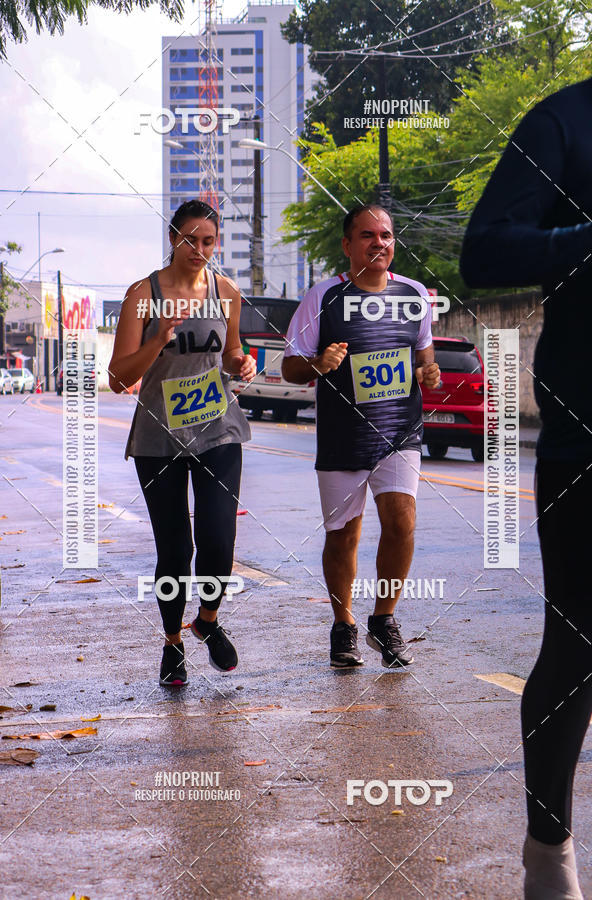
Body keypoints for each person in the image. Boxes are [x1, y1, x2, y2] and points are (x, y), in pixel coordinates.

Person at [460, 77, 592, 899]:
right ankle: (549, 851)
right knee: (579, 646)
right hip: (587, 428)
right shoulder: (561, 124)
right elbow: (485, 251)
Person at [282, 204, 440, 669]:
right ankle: (343, 626)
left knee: (401, 522)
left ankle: (384, 620)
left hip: (399, 431)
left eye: (386, 235)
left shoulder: (414, 295)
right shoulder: (323, 298)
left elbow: (423, 357)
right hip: (343, 436)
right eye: (368, 235)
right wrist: (318, 364)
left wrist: (428, 372)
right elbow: (290, 366)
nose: (379, 243)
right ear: (348, 245)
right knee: (343, 535)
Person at [108, 199, 256, 686]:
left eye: (208, 241)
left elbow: (231, 351)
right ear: (173, 238)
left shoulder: (226, 291)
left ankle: (207, 620)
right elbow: (116, 376)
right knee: (175, 550)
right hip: (158, 437)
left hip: (218, 429)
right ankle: (172, 642)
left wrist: (241, 364)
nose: (199, 249)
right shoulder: (142, 295)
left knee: (218, 539)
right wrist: (156, 341)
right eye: (190, 239)